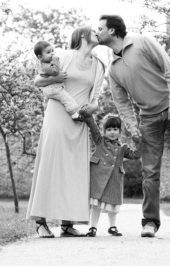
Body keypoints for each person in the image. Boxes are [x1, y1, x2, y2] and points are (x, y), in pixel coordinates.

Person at [96, 15, 170, 237]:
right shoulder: (113, 69)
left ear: (112, 31)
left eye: (100, 28)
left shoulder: (142, 42)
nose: (96, 32)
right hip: (148, 118)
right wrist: (131, 125)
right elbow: (122, 103)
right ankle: (150, 222)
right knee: (150, 171)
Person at [26, 26, 105, 238]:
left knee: (75, 170)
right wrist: (56, 79)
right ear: (82, 36)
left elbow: (95, 99)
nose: (98, 32)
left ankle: (67, 224)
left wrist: (92, 108)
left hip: (79, 119)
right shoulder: (62, 55)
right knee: (51, 165)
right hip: (57, 115)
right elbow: (38, 81)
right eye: (93, 30)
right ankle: (41, 222)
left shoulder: (99, 65)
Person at [83, 114, 141, 237]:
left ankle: (112, 227)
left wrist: (138, 142)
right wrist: (88, 116)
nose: (112, 132)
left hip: (114, 178)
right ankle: (93, 227)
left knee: (113, 204)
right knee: (96, 203)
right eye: (109, 129)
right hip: (98, 176)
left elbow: (136, 155)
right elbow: (93, 127)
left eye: (115, 129)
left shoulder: (123, 147)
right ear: (104, 131)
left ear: (120, 131)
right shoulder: (100, 141)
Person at [33, 40, 81, 120]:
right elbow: (55, 71)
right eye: (48, 52)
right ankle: (74, 114)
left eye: (52, 51)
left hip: (50, 89)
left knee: (47, 104)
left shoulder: (45, 63)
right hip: (53, 89)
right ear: (40, 57)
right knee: (66, 99)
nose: (52, 53)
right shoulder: (44, 66)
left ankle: (46, 116)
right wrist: (55, 60)